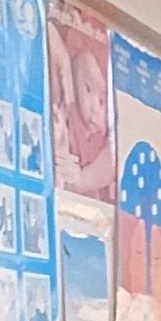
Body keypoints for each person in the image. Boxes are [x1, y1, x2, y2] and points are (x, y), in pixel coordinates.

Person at [48, 19, 115, 201]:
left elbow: (115, 157)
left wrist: (81, 181)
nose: (94, 108)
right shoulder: (66, 106)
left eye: (102, 102)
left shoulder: (105, 137)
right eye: (87, 89)